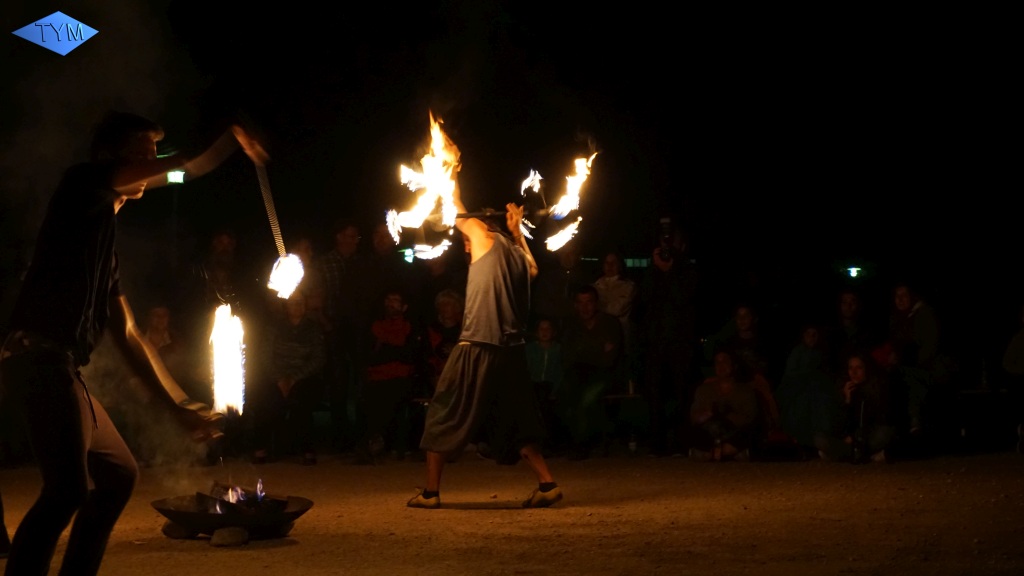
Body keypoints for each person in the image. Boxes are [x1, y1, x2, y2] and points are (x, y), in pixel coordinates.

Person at [0, 111, 264, 575]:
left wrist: (178, 405)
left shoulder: (104, 244)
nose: (151, 161)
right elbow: (185, 165)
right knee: (67, 491)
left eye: (152, 153)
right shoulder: (81, 185)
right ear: (111, 159)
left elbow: (127, 335)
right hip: (34, 357)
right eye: (142, 153)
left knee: (119, 475)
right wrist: (228, 140)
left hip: (60, 366)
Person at [408, 172, 561, 509]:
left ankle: (431, 493)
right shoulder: (518, 253)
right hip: (511, 352)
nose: (466, 245)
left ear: (481, 226)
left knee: (441, 411)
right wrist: (517, 231)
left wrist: (450, 166)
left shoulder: (482, 235)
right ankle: (547, 483)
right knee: (520, 421)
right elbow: (533, 271)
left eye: (467, 237)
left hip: (477, 345)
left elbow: (455, 203)